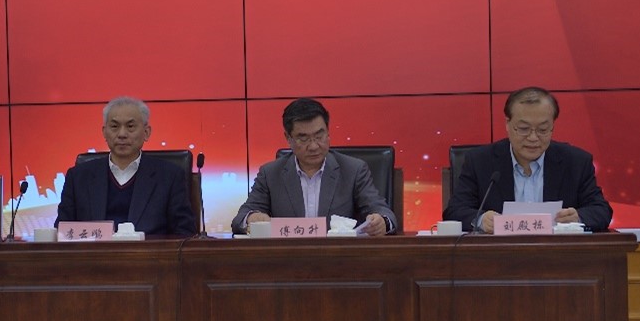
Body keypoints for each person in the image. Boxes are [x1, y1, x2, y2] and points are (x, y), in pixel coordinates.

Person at [444, 86, 612, 233]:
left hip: (558, 256)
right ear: (508, 124)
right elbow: (454, 211)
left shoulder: (576, 162)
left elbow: (601, 210)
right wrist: (481, 220)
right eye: (524, 129)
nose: (533, 138)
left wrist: (578, 217)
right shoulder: (480, 161)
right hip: (498, 255)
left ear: (553, 126)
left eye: (543, 129)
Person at [232, 97, 396, 236]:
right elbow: (240, 218)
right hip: (287, 259)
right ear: (288, 138)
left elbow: (383, 211)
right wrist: (251, 218)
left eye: (319, 136)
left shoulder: (353, 170)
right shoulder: (270, 174)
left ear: (328, 132)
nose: (313, 146)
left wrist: (381, 221)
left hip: (339, 258)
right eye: (303, 138)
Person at [56, 97, 197, 236]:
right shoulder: (78, 177)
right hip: (94, 252)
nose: (122, 134)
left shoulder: (170, 176)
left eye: (130, 126)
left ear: (146, 132)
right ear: (104, 132)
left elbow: (184, 233)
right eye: (114, 126)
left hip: (148, 251)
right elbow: (61, 233)